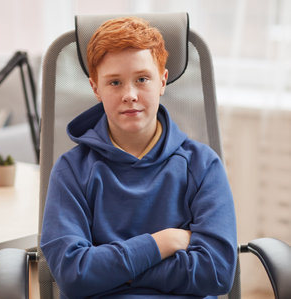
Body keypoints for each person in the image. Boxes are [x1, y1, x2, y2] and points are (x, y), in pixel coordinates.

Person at [40, 16, 237, 299]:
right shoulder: (71, 170)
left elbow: (216, 273)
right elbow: (73, 276)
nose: (129, 94)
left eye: (142, 79)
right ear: (96, 88)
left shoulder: (203, 166)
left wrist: (111, 271)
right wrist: (163, 242)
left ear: (163, 81)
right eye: (115, 82)